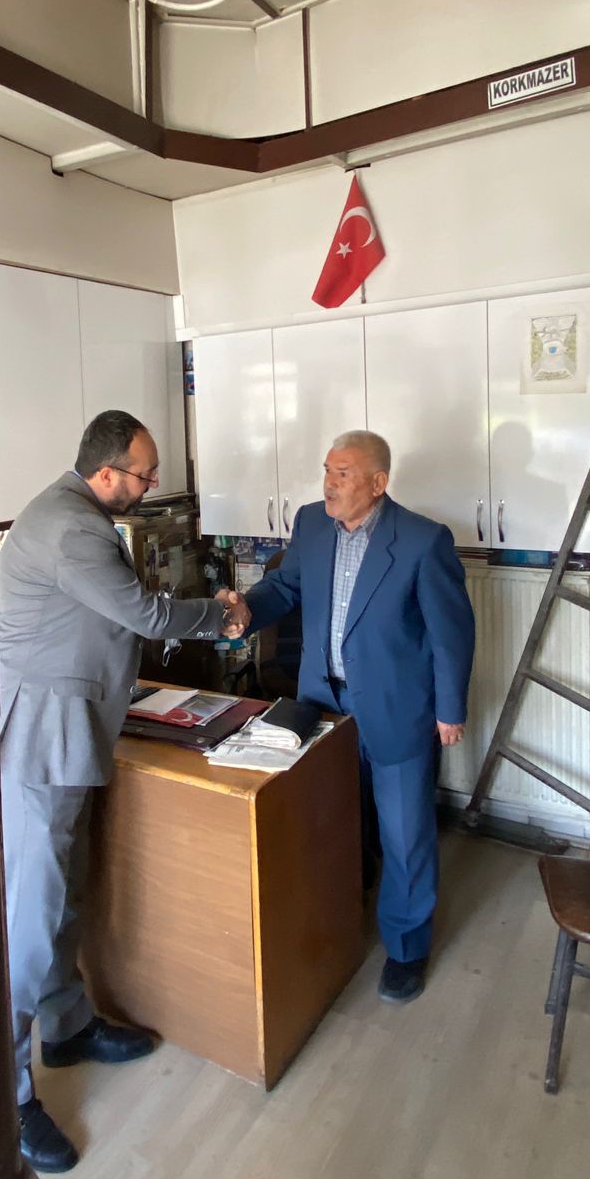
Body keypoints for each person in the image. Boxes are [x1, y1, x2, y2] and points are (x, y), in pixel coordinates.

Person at [0, 410, 248, 1175]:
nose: (150, 484)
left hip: (68, 728)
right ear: (105, 472)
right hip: (41, 738)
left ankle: (68, 1027)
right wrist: (220, 617)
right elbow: (141, 611)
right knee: (29, 921)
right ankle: (4, 1097)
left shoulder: (75, 513)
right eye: (143, 473)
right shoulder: (73, 528)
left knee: (66, 893)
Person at [240, 430, 475, 1004]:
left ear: (377, 483)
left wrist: (449, 708)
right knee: (336, 818)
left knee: (405, 831)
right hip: (323, 704)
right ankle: (345, 911)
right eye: (327, 470)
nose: (329, 484)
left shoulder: (422, 540)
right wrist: (244, 610)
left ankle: (406, 948)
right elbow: (284, 587)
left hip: (396, 705)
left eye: (342, 474)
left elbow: (450, 634)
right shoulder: (311, 524)